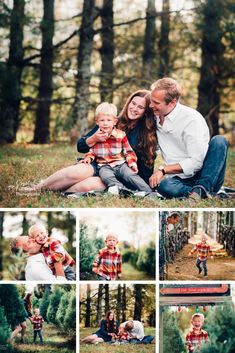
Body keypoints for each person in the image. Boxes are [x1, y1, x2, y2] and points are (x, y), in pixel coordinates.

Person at [19, 90, 157, 194]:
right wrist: (94, 138)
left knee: (88, 185)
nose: (134, 108)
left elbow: (146, 164)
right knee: (76, 173)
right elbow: (81, 146)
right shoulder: (110, 120)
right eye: (133, 103)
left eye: (140, 107)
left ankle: (58, 193)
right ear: (129, 103)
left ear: (145, 111)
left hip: (120, 173)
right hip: (98, 164)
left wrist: (144, 183)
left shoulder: (145, 133)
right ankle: (35, 189)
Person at [149, 77, 228, 200]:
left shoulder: (191, 120)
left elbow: (196, 162)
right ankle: (204, 194)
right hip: (181, 179)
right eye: (151, 101)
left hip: (207, 174)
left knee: (219, 141)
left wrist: (163, 170)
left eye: (156, 103)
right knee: (165, 186)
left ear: (173, 102)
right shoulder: (155, 117)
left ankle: (202, 188)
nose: (151, 105)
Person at [80, 102, 152, 195]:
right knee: (106, 176)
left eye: (109, 120)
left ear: (115, 121)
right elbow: (92, 151)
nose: (105, 123)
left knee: (130, 175)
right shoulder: (97, 136)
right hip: (104, 165)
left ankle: (149, 191)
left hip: (120, 164)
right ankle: (123, 190)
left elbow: (129, 151)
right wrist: (88, 158)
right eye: (102, 120)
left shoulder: (121, 135)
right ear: (97, 121)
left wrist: (132, 163)